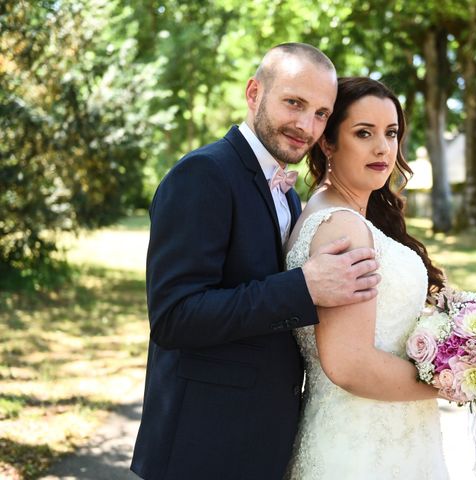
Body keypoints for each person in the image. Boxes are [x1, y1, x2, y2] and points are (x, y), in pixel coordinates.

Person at [130, 44, 381, 480]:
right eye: (294, 103)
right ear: (254, 93)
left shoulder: (287, 190)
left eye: (321, 113)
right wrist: (304, 288)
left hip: (260, 444)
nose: (307, 125)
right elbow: (174, 317)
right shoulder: (203, 174)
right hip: (200, 449)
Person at [285, 77, 450, 478]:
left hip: (384, 433)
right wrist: (454, 379)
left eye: (391, 133)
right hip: (363, 447)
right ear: (328, 142)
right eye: (364, 133)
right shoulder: (342, 227)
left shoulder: (342, 214)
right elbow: (349, 364)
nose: (383, 148)